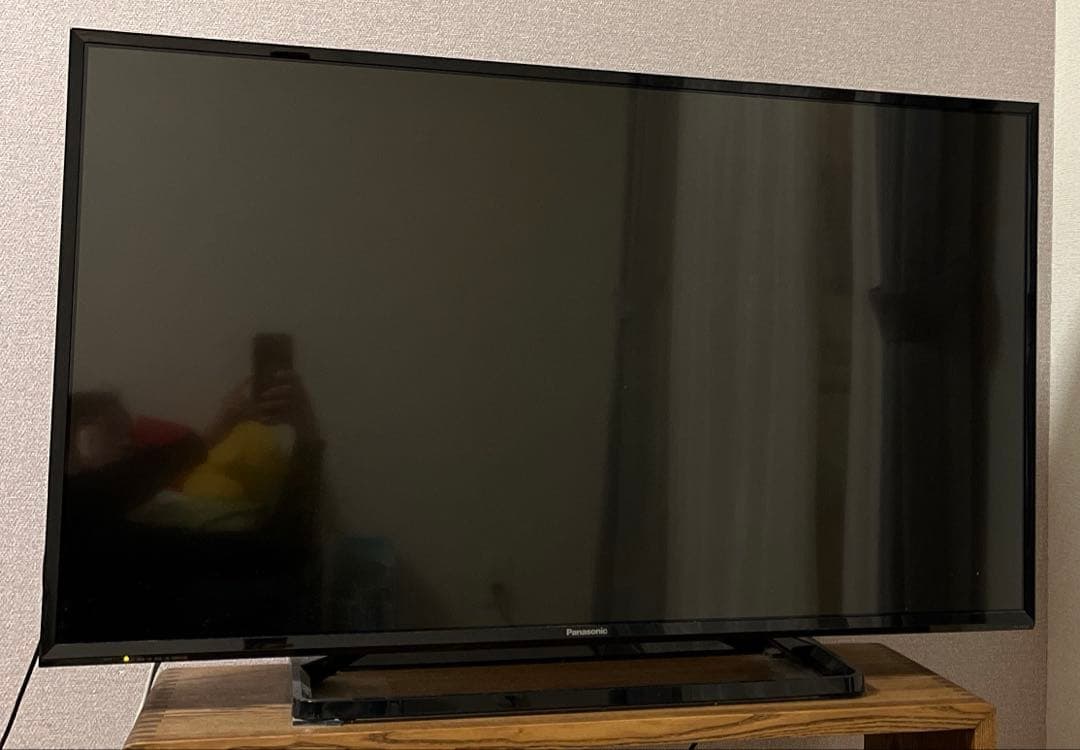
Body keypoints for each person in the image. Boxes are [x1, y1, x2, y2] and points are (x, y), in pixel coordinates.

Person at [58, 370, 325, 642]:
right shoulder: (62, 519)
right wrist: (215, 432)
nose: (128, 442)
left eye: (130, 434)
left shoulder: (154, 520)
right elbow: (98, 493)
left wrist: (307, 434)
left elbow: (277, 550)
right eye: (112, 428)